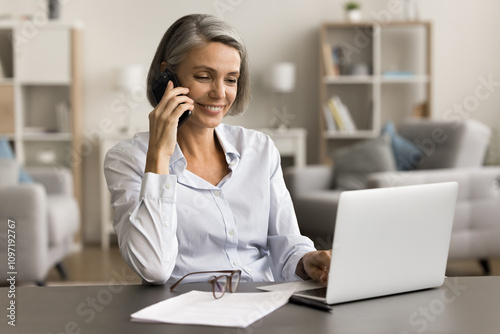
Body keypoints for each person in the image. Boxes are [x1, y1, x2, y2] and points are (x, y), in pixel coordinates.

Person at [104, 13, 331, 285]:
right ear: (168, 77)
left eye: (231, 80)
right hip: (184, 312)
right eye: (204, 76)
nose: (220, 93)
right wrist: (159, 156)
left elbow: (287, 245)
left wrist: (307, 261)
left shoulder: (259, 149)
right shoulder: (128, 159)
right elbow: (153, 268)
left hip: (263, 306)